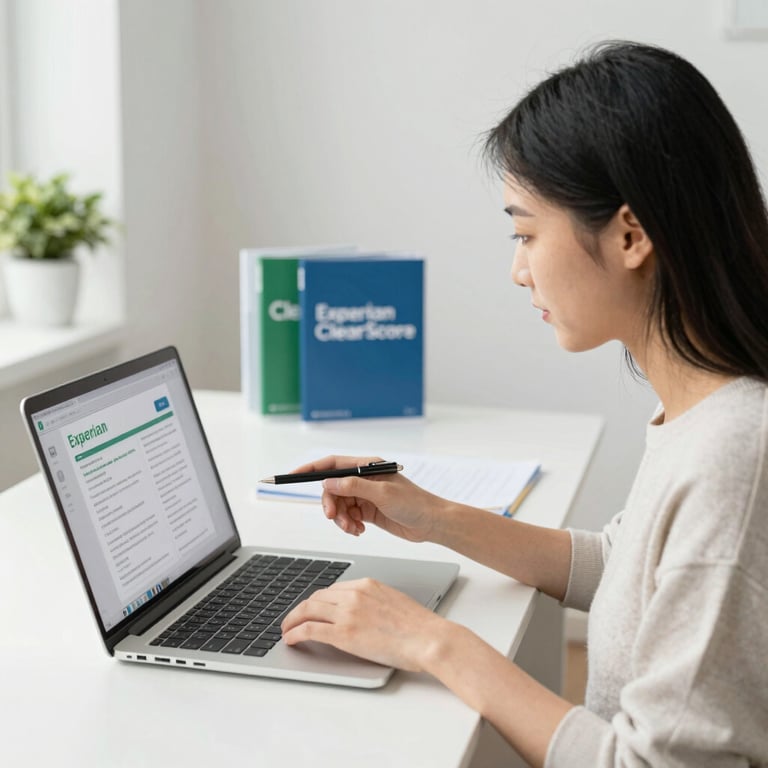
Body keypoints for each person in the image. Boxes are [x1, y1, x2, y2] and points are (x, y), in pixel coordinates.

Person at [280, 41, 768, 767]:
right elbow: (632, 568)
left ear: (631, 235)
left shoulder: (735, 451)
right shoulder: (706, 414)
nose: (517, 270)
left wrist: (431, 642)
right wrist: (435, 516)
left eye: (526, 232)